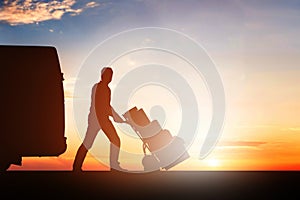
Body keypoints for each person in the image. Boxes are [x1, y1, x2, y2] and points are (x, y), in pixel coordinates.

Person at [73, 67, 127, 172]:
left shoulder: (104, 88)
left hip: (99, 119)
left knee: (91, 143)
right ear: (103, 75)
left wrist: (115, 116)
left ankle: (76, 167)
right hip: (98, 120)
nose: (110, 77)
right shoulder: (100, 88)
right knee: (114, 140)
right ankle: (114, 166)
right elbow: (103, 106)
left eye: (111, 75)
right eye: (108, 75)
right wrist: (115, 117)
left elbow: (107, 106)